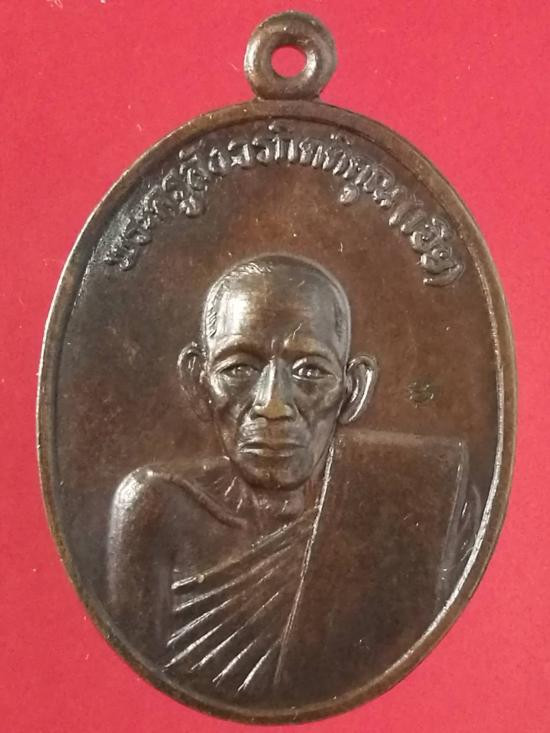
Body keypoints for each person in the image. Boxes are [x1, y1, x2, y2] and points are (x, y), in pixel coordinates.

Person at [106, 254, 479, 707]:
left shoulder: (420, 502)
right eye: (239, 368)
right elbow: (127, 697)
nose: (273, 404)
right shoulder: (158, 507)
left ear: (353, 389)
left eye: (310, 371)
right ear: (198, 380)